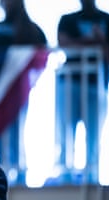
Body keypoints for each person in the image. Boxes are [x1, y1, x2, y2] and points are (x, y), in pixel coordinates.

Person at [56, 0, 109, 184]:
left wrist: (100, 41)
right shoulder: (68, 20)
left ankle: (92, 177)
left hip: (96, 86)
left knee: (93, 135)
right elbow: (65, 44)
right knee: (64, 132)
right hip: (70, 83)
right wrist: (92, 42)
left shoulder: (106, 19)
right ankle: (64, 175)